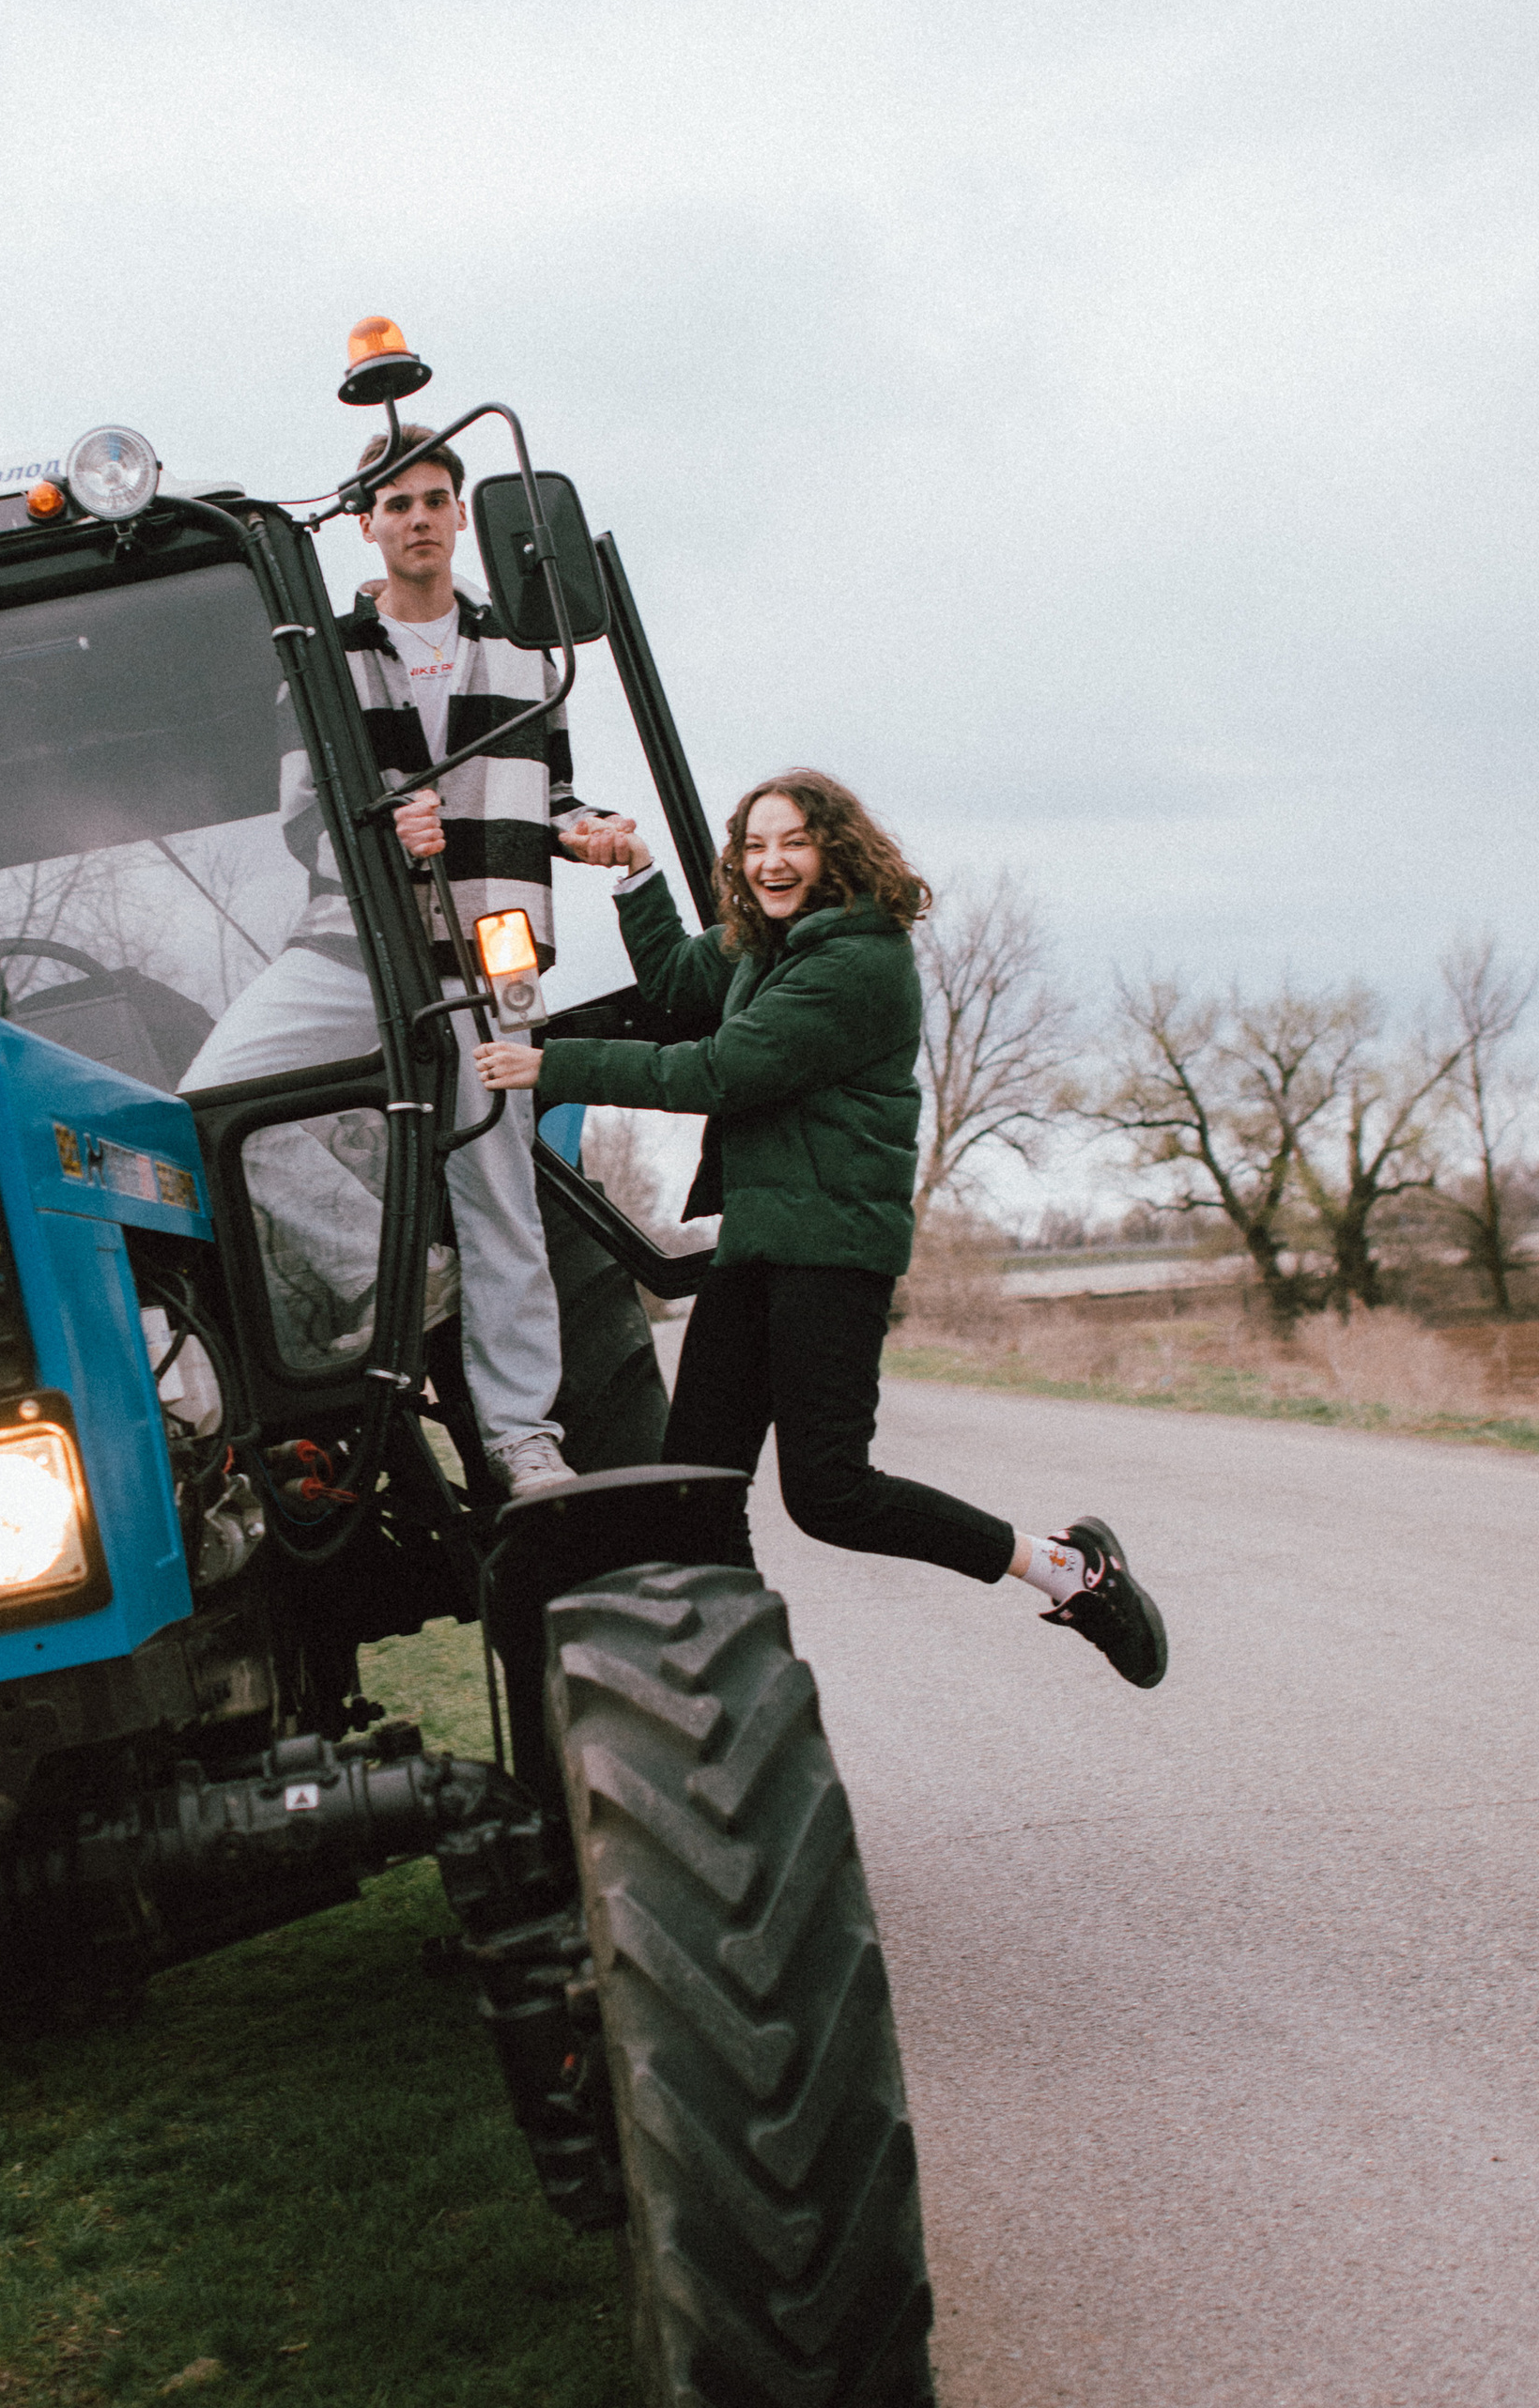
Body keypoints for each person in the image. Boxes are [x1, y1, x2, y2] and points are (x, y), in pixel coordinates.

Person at [475, 769, 1168, 1684]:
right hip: (756, 1248)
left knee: (831, 1494)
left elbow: (719, 1071)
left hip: (831, 1258)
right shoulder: (767, 947)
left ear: (835, 848)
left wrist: (545, 1063)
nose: (770, 861)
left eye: (792, 841)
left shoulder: (859, 963)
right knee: (693, 1491)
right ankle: (747, 1690)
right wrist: (636, 871)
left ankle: (1068, 1569)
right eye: (755, 845)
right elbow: (681, 978)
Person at [179, 429, 637, 1500]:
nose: (419, 518)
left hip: (490, 953)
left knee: (501, 1193)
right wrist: (386, 830)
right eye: (398, 504)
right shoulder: (323, 651)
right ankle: (380, 1267)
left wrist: (589, 831)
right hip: (356, 942)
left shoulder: (525, 651)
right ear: (367, 523)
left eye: (436, 499)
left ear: (460, 515)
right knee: (213, 1104)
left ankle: (521, 1439)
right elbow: (305, 817)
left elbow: (552, 792)